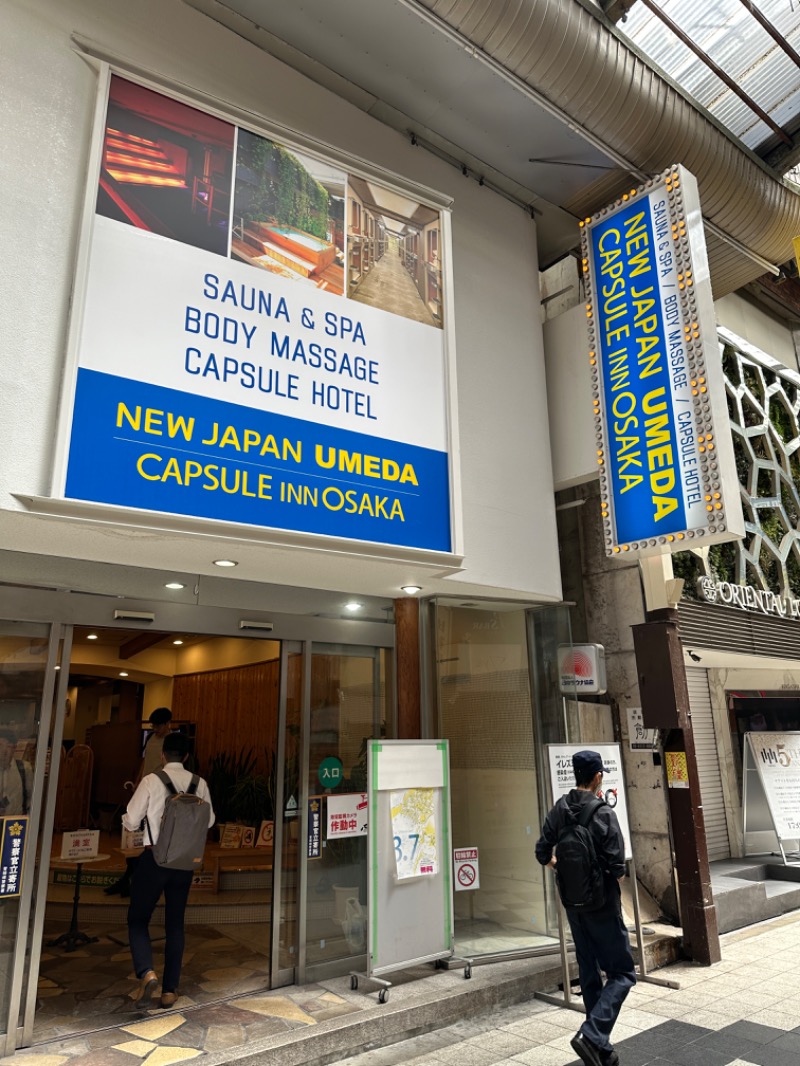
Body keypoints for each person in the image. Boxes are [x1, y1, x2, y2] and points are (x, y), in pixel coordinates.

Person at [535, 750, 635, 1066]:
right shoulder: (604, 813)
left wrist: (559, 867)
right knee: (622, 973)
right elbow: (618, 868)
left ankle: (600, 1049)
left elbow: (541, 852)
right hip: (602, 904)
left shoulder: (559, 810)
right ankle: (592, 1035)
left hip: (573, 905)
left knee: (589, 972)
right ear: (597, 777)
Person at [122, 731, 214, 1008]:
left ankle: (147, 971)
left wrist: (134, 824)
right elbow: (209, 821)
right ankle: (170, 990)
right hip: (185, 864)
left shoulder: (152, 781)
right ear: (186, 756)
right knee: (176, 924)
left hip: (154, 859)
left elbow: (131, 819)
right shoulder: (200, 784)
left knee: (138, 919)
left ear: (163, 755)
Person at [106, 708, 174, 897]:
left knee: (148, 840)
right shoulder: (152, 739)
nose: (156, 728)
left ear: (168, 723)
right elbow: (145, 763)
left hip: (159, 794)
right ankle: (128, 878)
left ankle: (132, 880)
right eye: (154, 725)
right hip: (145, 789)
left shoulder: (171, 743)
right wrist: (137, 782)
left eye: (159, 725)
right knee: (134, 838)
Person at [0, 730, 32, 815]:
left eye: (8, 746)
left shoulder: (24, 768)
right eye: (0, 745)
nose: (4, 751)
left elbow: (32, 798)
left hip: (16, 823)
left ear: (15, 748)